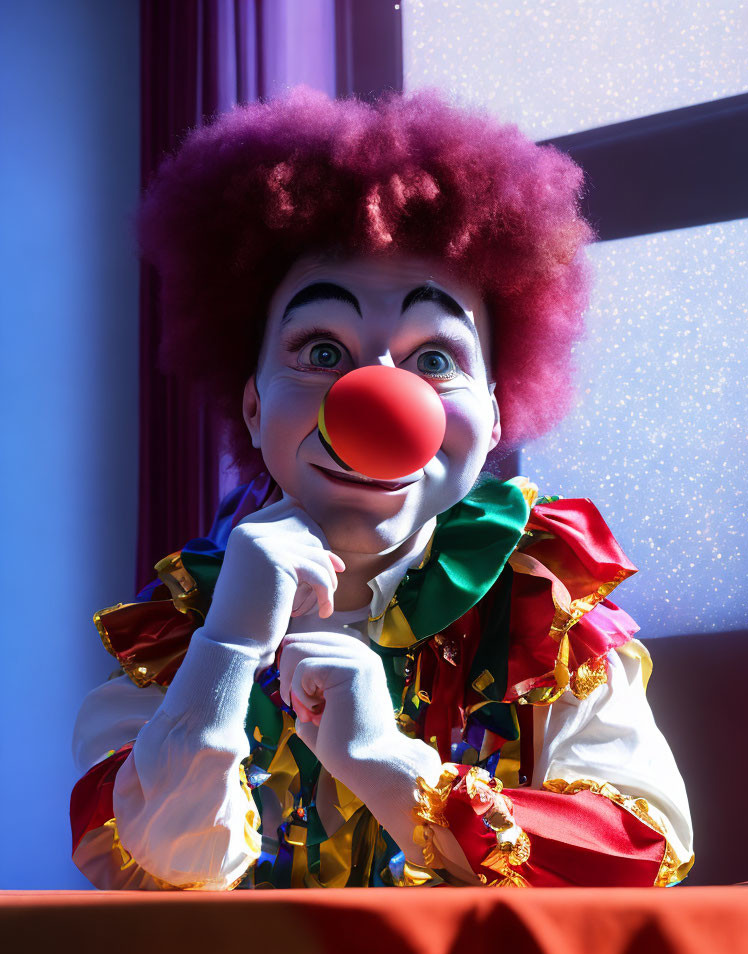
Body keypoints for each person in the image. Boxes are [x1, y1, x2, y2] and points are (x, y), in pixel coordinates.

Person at [71, 86, 693, 899]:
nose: (378, 401)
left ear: (498, 410)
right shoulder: (179, 629)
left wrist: (389, 765)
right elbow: (152, 872)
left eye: (435, 360)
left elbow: (639, 857)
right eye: (321, 350)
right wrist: (224, 651)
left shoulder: (547, 605)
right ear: (254, 406)